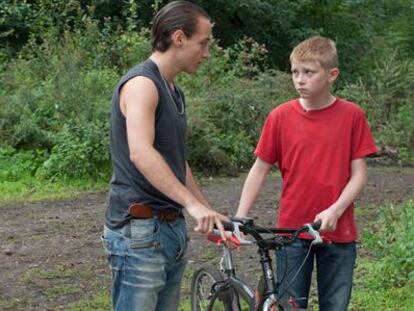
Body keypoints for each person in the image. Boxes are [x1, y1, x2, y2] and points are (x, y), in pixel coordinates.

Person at [235, 36, 378, 311]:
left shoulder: (352, 115)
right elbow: (259, 170)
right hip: (291, 231)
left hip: (338, 231)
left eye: (309, 72)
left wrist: (335, 210)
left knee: (335, 305)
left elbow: (359, 174)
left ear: (331, 74)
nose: (300, 80)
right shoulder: (279, 116)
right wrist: (241, 215)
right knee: (290, 305)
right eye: (295, 72)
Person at [102, 2, 228, 310]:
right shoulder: (142, 85)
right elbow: (141, 152)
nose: (207, 53)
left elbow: (174, 161)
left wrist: (207, 210)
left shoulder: (173, 90)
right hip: (140, 232)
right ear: (179, 37)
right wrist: (192, 205)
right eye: (204, 43)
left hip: (169, 230)